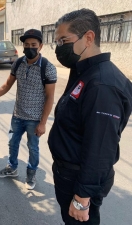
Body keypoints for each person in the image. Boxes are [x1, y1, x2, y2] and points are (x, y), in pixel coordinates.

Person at [48, 8, 132, 224]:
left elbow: (100, 147)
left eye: (63, 40)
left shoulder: (102, 85)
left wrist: (82, 198)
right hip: (70, 173)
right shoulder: (84, 72)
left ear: (88, 37)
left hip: (79, 180)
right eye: (57, 42)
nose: (59, 47)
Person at [0, 29, 57, 190]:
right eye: (27, 44)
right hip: (17, 115)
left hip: (35, 118)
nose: (30, 47)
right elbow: (7, 85)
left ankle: (31, 174)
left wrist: (43, 122)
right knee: (12, 143)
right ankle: (12, 168)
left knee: (33, 148)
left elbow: (50, 97)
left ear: (41, 46)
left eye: (33, 45)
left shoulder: (48, 68)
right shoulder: (18, 63)